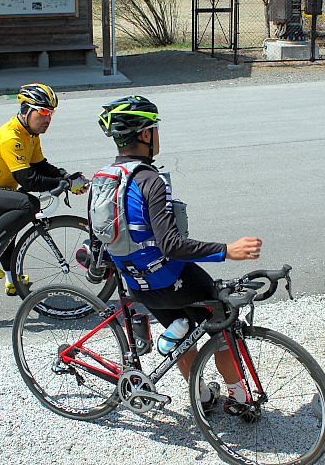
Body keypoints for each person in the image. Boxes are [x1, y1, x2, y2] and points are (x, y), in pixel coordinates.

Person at [88, 95, 263, 411]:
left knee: (182, 338)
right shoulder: (150, 180)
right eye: (155, 128)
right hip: (173, 280)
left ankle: (202, 397)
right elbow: (171, 245)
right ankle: (239, 399)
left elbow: (97, 243)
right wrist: (227, 251)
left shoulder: (101, 180)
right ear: (145, 135)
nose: (157, 133)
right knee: (222, 326)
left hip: (139, 287)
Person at [0, 83, 89, 295]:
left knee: (11, 227)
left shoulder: (30, 135)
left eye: (51, 113)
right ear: (26, 110)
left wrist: (65, 177)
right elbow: (28, 180)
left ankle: (12, 280)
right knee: (28, 204)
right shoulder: (11, 137)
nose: (47, 119)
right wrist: (64, 185)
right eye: (42, 111)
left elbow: (40, 166)